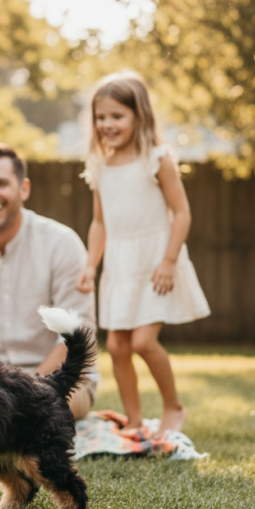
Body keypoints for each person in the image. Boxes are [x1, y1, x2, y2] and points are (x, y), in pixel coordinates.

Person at [76, 70, 209, 436]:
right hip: (120, 265)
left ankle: (174, 406)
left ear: (139, 115)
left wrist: (168, 261)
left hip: (155, 262)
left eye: (117, 116)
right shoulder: (100, 165)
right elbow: (99, 223)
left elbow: (182, 212)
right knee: (117, 346)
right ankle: (134, 421)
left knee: (143, 341)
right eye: (101, 117)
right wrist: (91, 265)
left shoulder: (157, 159)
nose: (107, 124)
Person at [0, 141, 98, 420]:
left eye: (0, 183)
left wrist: (24, 390)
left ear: (24, 189)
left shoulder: (62, 244)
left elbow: (76, 333)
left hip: (62, 380)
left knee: (38, 414)